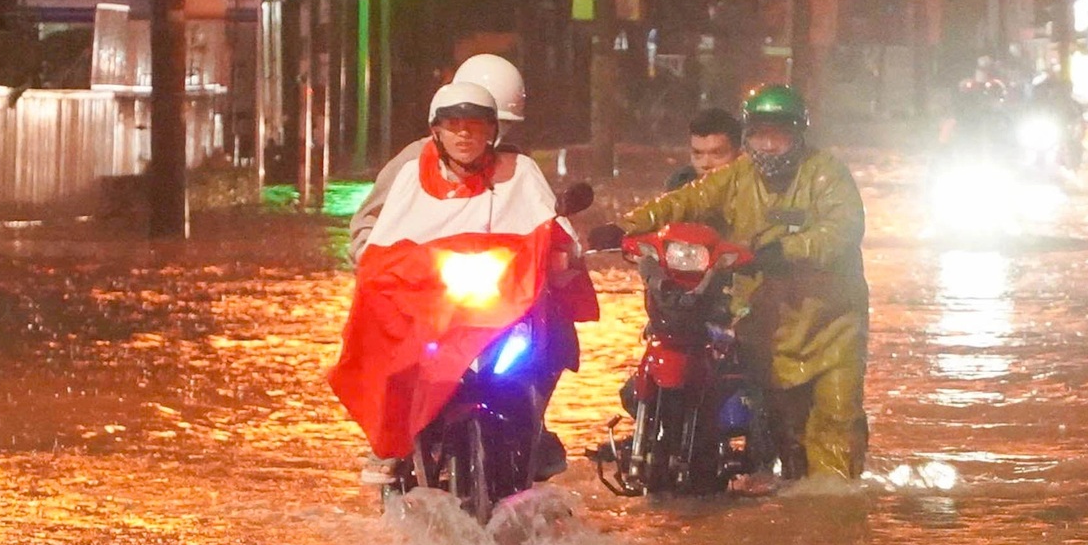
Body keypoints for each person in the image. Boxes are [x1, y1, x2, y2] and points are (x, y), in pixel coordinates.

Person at [592, 85, 869, 481]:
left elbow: (842, 231)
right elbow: (684, 201)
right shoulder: (736, 178)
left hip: (832, 330)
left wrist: (784, 251)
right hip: (766, 329)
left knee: (838, 423)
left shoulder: (827, 174)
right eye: (760, 135)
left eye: (779, 135)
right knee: (787, 440)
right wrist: (625, 226)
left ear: (799, 134)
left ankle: (835, 514)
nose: (769, 146)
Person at [332, 82, 592, 490]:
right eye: (454, 125)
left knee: (549, 343)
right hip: (433, 310)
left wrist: (563, 253)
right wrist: (380, 266)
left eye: (475, 125)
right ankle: (394, 439)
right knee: (386, 337)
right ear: (437, 131)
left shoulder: (518, 172)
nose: (464, 135)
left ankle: (535, 429)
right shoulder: (411, 174)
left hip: (501, 308)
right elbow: (381, 239)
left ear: (493, 130)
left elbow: (548, 227)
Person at [349, 53, 535, 265]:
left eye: (485, 124)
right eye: (460, 122)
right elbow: (368, 220)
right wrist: (370, 258)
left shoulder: (518, 167)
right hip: (423, 278)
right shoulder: (414, 163)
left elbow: (544, 223)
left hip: (497, 279)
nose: (468, 134)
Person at [664, 107, 743, 192]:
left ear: (739, 154)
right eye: (697, 153)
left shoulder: (755, 189)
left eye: (716, 153)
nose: (705, 164)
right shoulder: (679, 187)